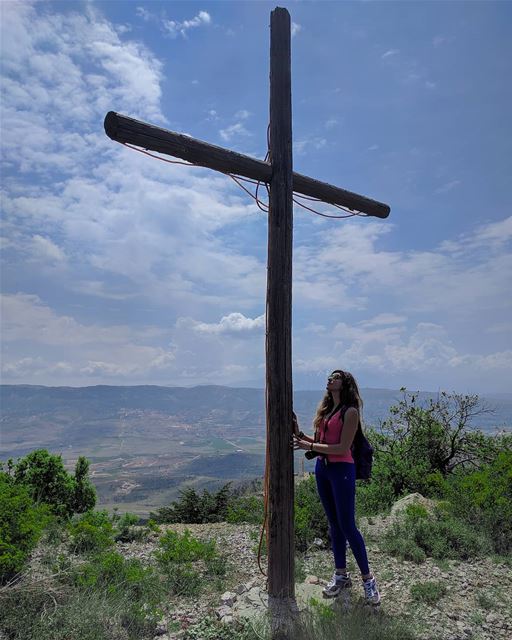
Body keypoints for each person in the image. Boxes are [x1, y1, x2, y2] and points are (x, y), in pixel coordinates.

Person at [292, 369, 380, 605]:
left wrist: (306, 445)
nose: (330, 379)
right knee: (334, 525)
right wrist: (300, 434)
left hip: (342, 471)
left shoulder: (350, 412)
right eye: (330, 377)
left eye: (336, 377)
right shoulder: (327, 411)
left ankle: (368, 580)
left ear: (345, 383)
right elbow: (320, 444)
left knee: (348, 525)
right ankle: (340, 574)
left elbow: (342, 448)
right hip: (323, 469)